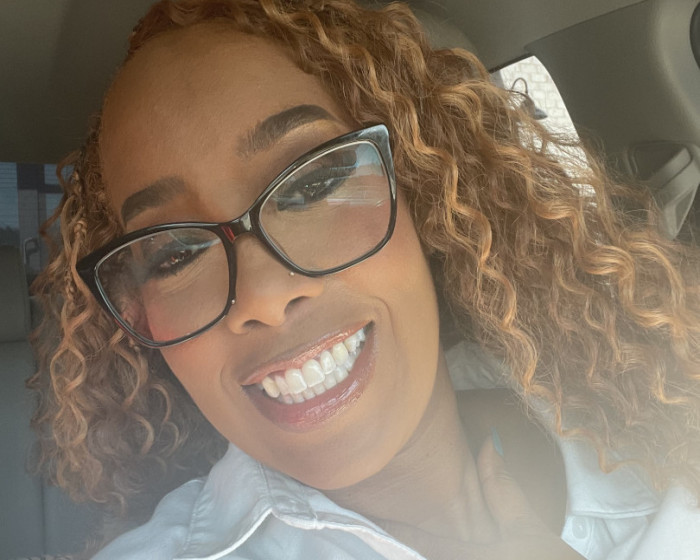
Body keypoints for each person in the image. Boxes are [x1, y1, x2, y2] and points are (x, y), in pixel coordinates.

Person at [28, 0, 700, 558]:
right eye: (173, 255)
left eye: (313, 184)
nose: (263, 296)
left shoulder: (652, 394)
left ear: (425, 191)